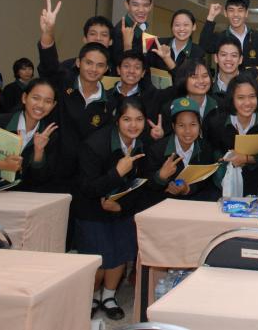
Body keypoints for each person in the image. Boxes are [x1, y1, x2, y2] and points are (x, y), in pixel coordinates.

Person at [76, 98, 149, 320]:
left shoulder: (142, 144)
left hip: (122, 208)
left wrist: (121, 206)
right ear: (117, 120)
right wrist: (116, 173)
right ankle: (90, 297)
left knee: (119, 254)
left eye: (139, 119)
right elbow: (87, 187)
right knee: (97, 259)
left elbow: (140, 185)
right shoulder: (95, 144)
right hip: (92, 209)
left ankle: (109, 296)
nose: (133, 125)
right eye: (127, 119)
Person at [37, 0, 113, 187]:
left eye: (100, 65)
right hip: (53, 171)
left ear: (106, 69)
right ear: (78, 63)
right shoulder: (63, 81)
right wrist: (48, 33)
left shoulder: (109, 101)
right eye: (88, 63)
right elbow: (49, 67)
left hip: (86, 177)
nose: (93, 69)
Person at [204, 73, 258, 197]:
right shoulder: (217, 122)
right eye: (241, 97)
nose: (247, 103)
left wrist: (248, 159)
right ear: (232, 99)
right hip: (225, 186)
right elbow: (210, 152)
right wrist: (223, 159)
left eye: (252, 96)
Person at [145, 97, 220, 202]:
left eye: (193, 124)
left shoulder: (205, 148)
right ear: (173, 126)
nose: (188, 131)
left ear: (199, 125)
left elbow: (206, 182)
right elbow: (148, 187)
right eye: (181, 125)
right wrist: (161, 176)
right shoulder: (157, 150)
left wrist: (187, 189)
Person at [199, 0, 258, 70]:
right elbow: (203, 47)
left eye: (240, 10)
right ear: (225, 13)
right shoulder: (220, 37)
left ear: (246, 13)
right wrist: (211, 16)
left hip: (252, 78)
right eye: (231, 10)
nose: (235, 14)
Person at [159, 59, 221, 135]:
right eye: (194, 77)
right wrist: (160, 136)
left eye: (205, 76)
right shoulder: (171, 108)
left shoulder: (220, 105)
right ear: (183, 80)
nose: (201, 81)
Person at [106, 50, 159, 126]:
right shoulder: (106, 97)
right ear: (118, 70)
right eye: (126, 66)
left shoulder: (150, 99)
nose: (131, 71)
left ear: (143, 73)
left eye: (137, 67)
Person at [147, 9, 206, 76]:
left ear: (194, 27)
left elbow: (187, 79)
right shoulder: (159, 44)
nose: (181, 29)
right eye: (177, 25)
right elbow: (146, 71)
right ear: (172, 27)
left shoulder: (198, 53)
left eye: (186, 25)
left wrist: (167, 59)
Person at [111, 0, 153, 66]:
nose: (141, 10)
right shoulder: (119, 32)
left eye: (146, 5)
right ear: (127, 5)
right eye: (135, 5)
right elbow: (119, 66)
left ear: (150, 6)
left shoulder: (142, 28)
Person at [211, 35, 244, 103]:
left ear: (240, 59)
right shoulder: (207, 89)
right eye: (223, 54)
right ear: (216, 58)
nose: (228, 59)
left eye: (234, 55)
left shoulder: (251, 87)